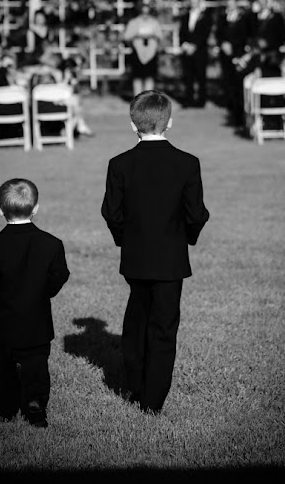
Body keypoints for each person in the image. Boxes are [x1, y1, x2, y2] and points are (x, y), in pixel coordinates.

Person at [101, 90, 210, 414]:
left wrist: (125, 240)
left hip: (136, 255)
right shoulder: (187, 163)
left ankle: (135, 386)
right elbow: (197, 214)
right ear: (170, 122)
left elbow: (112, 212)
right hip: (171, 257)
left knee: (137, 319)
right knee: (164, 326)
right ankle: (153, 399)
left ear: (133, 125)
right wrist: (185, 239)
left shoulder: (119, 164)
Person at [0, 179, 70, 428]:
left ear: (0, 209)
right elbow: (59, 276)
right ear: (35, 208)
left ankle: (3, 409)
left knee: (3, 368)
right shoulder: (52, 244)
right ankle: (35, 405)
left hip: (4, 323)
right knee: (36, 368)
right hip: (37, 323)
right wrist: (43, 292)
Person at [178, 0, 213, 107]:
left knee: (201, 77)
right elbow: (181, 33)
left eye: (195, 1)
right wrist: (184, 44)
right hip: (187, 50)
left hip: (200, 51)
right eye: (191, 1)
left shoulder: (206, 16)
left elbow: (205, 34)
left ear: (199, 2)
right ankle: (189, 100)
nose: (193, 3)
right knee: (188, 77)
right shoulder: (185, 16)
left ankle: (201, 101)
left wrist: (195, 45)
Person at [124, 2, 163, 96]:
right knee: (137, 77)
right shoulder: (134, 22)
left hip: (151, 53)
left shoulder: (154, 22)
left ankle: (147, 99)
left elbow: (160, 36)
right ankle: (138, 99)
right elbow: (127, 37)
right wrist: (137, 35)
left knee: (149, 77)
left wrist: (152, 35)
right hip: (137, 53)